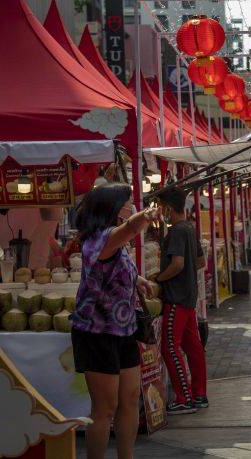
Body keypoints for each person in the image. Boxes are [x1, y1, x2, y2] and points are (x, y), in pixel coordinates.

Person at [71, 183, 159, 459]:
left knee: (131, 399)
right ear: (113, 206)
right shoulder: (99, 239)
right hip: (96, 332)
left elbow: (114, 268)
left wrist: (138, 280)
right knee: (104, 409)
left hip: (123, 330)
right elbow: (131, 228)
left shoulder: (114, 242)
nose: (132, 203)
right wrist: (146, 214)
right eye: (128, 200)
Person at [155, 186, 208, 415]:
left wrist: (158, 277)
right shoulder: (189, 228)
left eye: (160, 207)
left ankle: (183, 397)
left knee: (169, 347)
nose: (159, 211)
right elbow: (200, 262)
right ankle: (199, 394)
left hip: (176, 297)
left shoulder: (176, 231)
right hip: (188, 297)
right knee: (193, 347)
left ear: (167, 208)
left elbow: (178, 264)